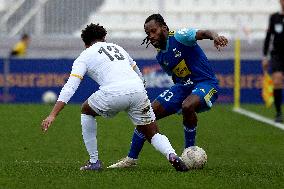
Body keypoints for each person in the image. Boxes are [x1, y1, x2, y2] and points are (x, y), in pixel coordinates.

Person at [41, 23, 188, 172]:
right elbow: (137, 71)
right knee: (152, 132)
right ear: (104, 38)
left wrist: (53, 114)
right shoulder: (118, 48)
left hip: (113, 92)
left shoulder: (84, 56)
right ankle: (172, 155)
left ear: (85, 43)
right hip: (137, 90)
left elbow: (70, 87)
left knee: (86, 109)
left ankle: (94, 161)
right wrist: (140, 93)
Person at [108, 13, 228, 169]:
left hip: (206, 83)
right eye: (148, 33)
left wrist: (215, 37)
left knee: (187, 105)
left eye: (153, 31)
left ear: (164, 28)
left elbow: (204, 32)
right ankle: (131, 159)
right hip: (184, 86)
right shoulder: (161, 56)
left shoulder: (180, 37)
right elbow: (178, 76)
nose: (150, 36)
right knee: (148, 114)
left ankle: (188, 151)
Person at [262, 0, 284, 123]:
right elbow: (268, 37)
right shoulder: (274, 17)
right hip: (277, 55)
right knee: (277, 80)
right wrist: (265, 56)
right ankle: (279, 112)